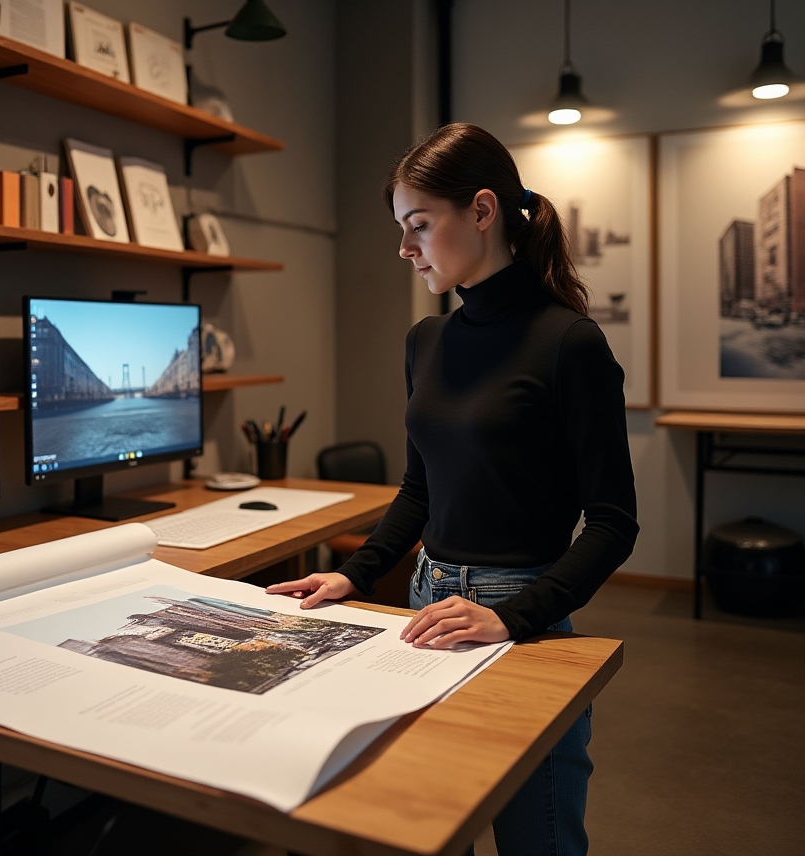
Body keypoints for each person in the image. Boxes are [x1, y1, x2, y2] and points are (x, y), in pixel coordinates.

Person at [266, 123, 638, 856]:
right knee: (431, 828)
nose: (405, 249)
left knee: (541, 836)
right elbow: (418, 491)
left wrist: (511, 619)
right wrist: (354, 573)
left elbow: (613, 523)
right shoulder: (425, 341)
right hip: (425, 607)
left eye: (418, 226)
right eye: (401, 229)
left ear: (482, 211)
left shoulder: (569, 343)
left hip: (520, 614)